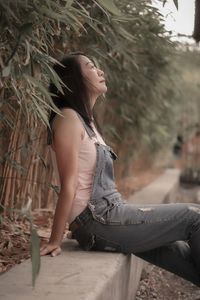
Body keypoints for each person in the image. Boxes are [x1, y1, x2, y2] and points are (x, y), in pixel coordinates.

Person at [40, 52, 200, 287]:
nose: (100, 71)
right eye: (91, 66)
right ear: (74, 79)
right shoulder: (67, 118)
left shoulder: (88, 122)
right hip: (96, 220)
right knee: (193, 217)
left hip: (110, 213)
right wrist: (55, 239)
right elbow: (69, 185)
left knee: (177, 252)